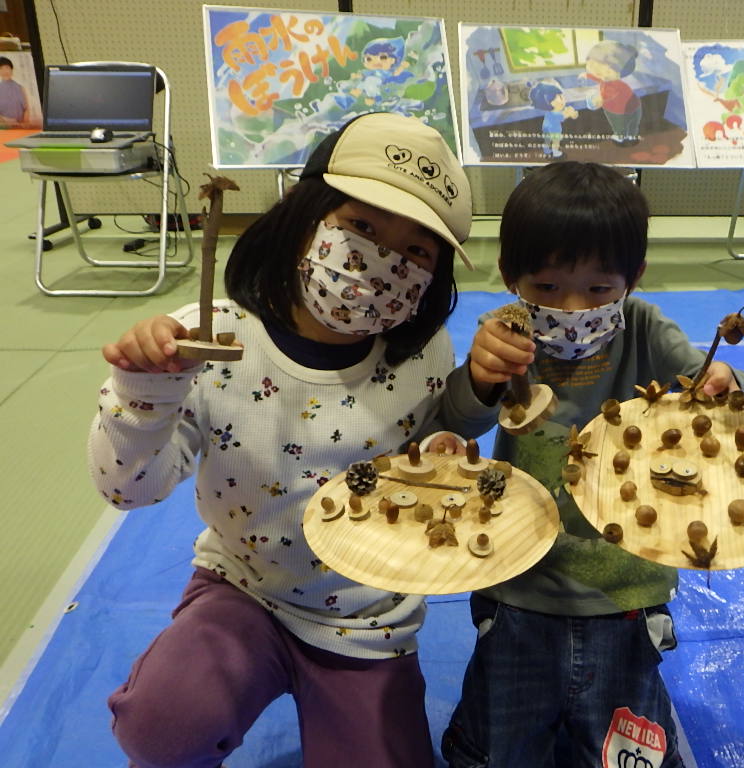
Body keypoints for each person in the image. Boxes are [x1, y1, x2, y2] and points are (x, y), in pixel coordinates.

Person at [88, 112, 496, 768]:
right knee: (162, 726)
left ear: (436, 276)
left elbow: (421, 459)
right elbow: (128, 487)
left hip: (366, 616)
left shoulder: (422, 353)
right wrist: (145, 394)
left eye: (417, 250)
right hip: (245, 584)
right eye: (361, 226)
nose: (383, 260)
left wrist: (447, 447)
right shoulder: (211, 341)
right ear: (302, 217)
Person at [440, 161, 744, 768]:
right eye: (548, 288)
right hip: (518, 583)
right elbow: (459, 426)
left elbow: (710, 389)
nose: (574, 307)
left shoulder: (643, 328)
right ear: (511, 277)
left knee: (622, 745)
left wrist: (725, 379)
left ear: (632, 278)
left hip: (626, 591)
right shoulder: (506, 334)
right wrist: (480, 377)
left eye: (599, 289)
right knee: (497, 746)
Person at [582, 40, 642, 146]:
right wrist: (587, 76)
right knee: (632, 124)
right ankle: (631, 135)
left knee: (620, 124)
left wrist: (599, 98)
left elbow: (610, 94)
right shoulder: (607, 79)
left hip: (618, 111)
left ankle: (621, 136)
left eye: (603, 71)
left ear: (619, 71)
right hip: (634, 106)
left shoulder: (616, 84)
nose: (596, 73)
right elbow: (599, 79)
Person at [529, 80, 578, 158]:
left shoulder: (549, 113)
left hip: (545, 127)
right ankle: (556, 153)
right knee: (556, 142)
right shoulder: (556, 114)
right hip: (554, 130)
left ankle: (547, 151)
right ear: (551, 103)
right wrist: (570, 113)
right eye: (561, 97)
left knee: (547, 140)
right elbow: (564, 116)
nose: (564, 100)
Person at [0, 56, 29, 128]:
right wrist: (6, 122)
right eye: (1, 69)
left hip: (20, 126)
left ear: (11, 69)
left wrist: (24, 124)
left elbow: (26, 109)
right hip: (4, 127)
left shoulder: (20, 88)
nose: (4, 71)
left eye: (7, 68)